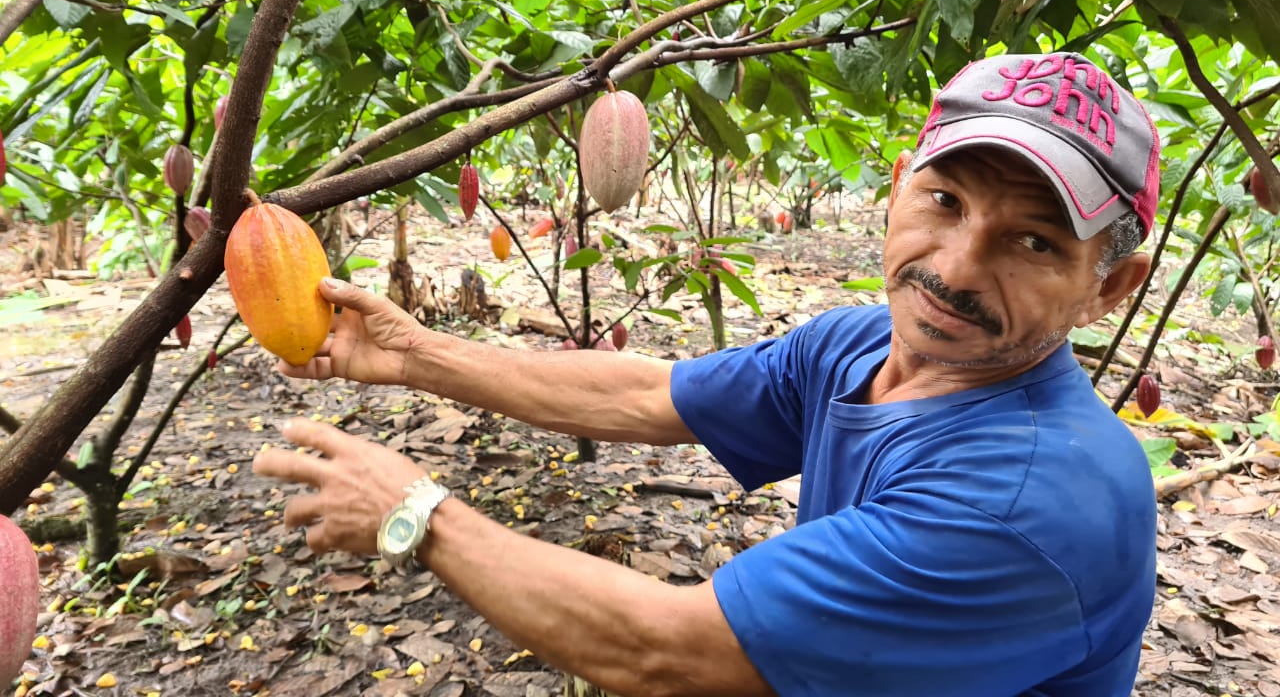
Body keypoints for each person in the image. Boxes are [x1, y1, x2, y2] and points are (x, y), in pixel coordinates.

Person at [253, 51, 1161, 697]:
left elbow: (667, 651)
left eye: (1033, 240)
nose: (956, 268)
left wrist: (416, 512)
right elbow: (653, 393)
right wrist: (418, 355)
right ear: (898, 186)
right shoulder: (863, 346)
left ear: (1110, 286)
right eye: (945, 201)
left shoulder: (1027, 504)